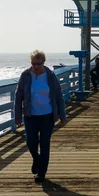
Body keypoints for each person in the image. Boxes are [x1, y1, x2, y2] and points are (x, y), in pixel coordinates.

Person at [14, 50, 67, 183]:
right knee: (30, 142)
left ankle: (41, 173)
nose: (35, 66)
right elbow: (18, 95)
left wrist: (62, 115)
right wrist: (17, 115)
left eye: (38, 63)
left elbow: (58, 95)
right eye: (33, 63)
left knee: (44, 144)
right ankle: (36, 160)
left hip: (47, 116)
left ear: (43, 62)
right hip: (30, 115)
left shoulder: (50, 75)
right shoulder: (26, 75)